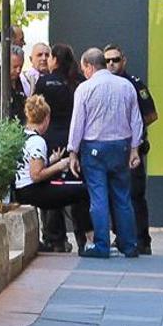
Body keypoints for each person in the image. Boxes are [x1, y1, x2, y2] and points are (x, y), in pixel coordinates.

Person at [67, 47, 143, 258]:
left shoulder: (84, 89)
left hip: (94, 149)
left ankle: (101, 245)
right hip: (121, 146)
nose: (83, 73)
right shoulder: (126, 86)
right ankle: (129, 244)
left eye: (84, 69)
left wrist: (72, 152)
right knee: (122, 197)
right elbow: (136, 120)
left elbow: (77, 124)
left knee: (98, 198)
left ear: (90, 66)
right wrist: (135, 149)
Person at [14, 95, 93, 250]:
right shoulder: (38, 141)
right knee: (82, 192)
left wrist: (51, 160)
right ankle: (90, 240)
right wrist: (60, 165)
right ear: (47, 118)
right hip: (31, 190)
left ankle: (60, 238)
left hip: (21, 189)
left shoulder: (23, 135)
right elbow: (36, 175)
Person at [104, 44, 157, 255]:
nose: (111, 64)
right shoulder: (102, 85)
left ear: (123, 60)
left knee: (135, 195)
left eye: (115, 60)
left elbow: (151, 114)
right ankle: (122, 235)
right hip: (113, 148)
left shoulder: (134, 84)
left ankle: (142, 239)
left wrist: (133, 129)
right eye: (107, 61)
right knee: (114, 195)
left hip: (132, 148)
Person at [34, 43, 85, 252]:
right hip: (74, 140)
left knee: (51, 188)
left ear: (55, 59)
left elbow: (36, 110)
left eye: (49, 56)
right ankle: (83, 237)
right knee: (78, 190)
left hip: (50, 141)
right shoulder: (78, 82)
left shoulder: (45, 82)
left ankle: (55, 238)